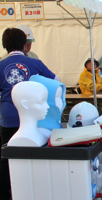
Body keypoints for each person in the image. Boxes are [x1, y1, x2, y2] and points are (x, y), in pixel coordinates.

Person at [0, 28, 57, 200]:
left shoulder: (0, 65)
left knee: (7, 157)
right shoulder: (35, 63)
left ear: (4, 45)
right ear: (25, 44)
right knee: (34, 156)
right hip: (32, 118)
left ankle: (6, 194)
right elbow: (55, 81)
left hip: (8, 118)